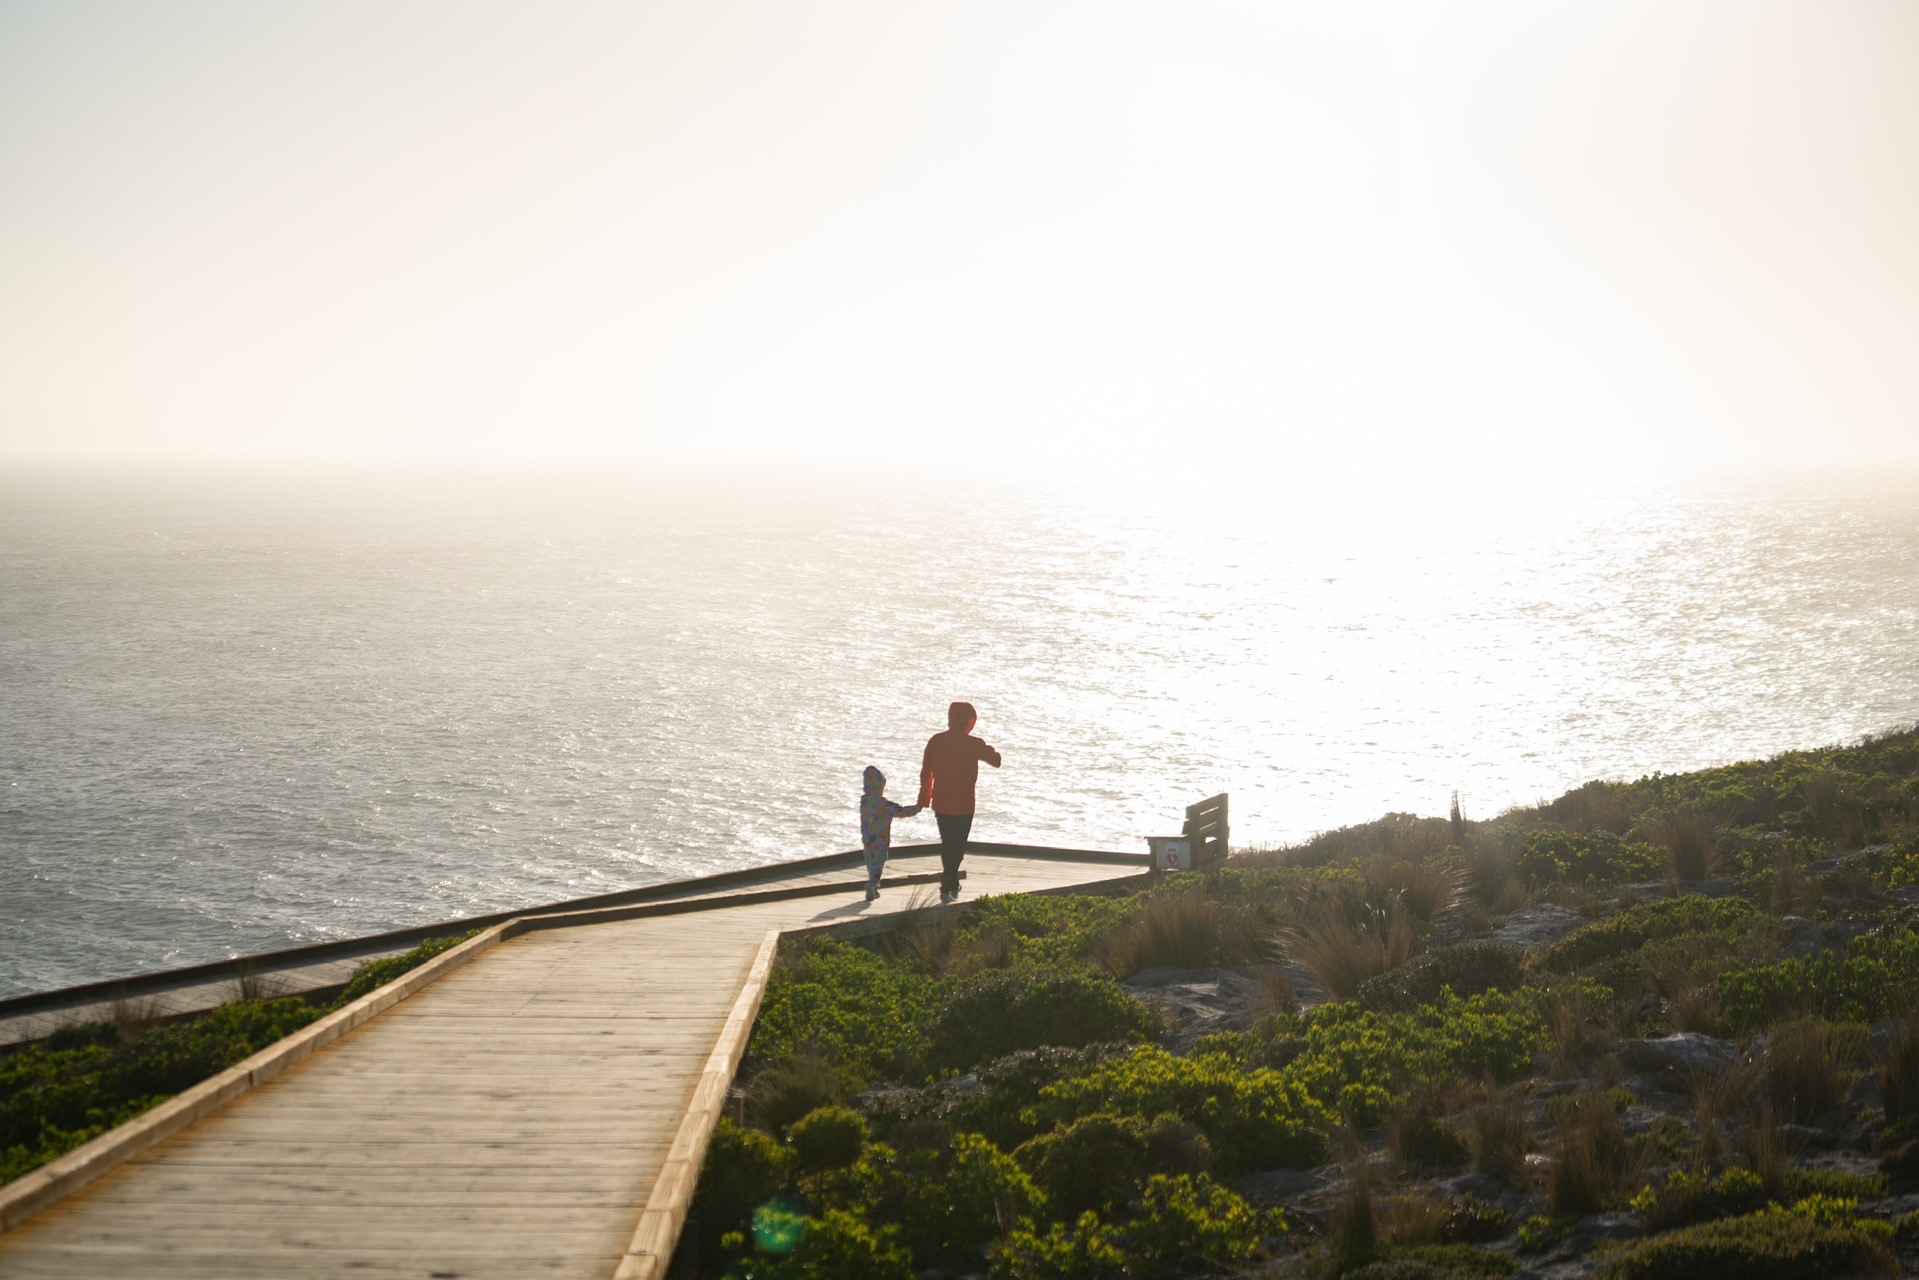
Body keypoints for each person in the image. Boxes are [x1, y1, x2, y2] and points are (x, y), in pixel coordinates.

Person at [918, 701, 1002, 902]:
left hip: (942, 801)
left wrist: (925, 797)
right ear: (969, 722)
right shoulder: (973, 744)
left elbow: (926, 772)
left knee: (948, 845)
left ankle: (951, 884)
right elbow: (996, 761)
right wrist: (988, 748)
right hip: (963, 805)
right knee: (956, 847)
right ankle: (947, 887)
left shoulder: (936, 741)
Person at [859, 765, 921, 902]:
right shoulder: (884, 804)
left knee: (871, 866)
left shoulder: (864, 802)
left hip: (867, 842)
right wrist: (917, 808)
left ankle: (874, 889)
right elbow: (901, 811)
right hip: (880, 843)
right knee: (878, 866)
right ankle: (872, 885)